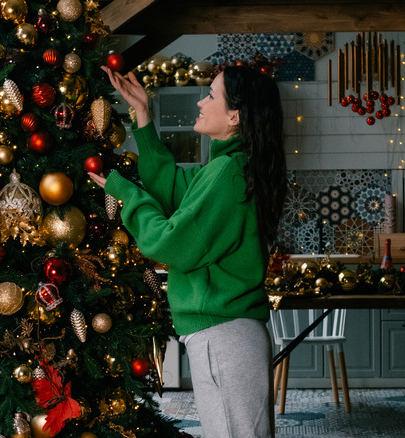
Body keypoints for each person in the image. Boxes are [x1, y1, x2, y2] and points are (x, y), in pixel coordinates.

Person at [91, 64, 287, 438]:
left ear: (235, 115)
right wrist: (143, 117)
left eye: (211, 95)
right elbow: (172, 186)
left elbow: (170, 243)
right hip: (226, 336)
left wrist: (128, 195)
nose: (201, 101)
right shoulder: (227, 167)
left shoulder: (227, 172)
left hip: (223, 336)